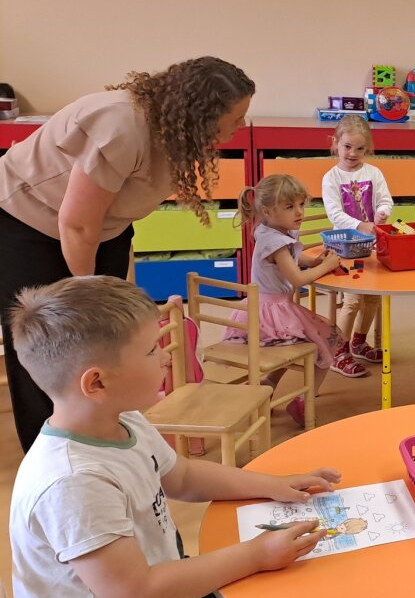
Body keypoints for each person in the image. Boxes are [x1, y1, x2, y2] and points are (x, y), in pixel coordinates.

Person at [7, 275, 340, 598]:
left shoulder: (123, 419)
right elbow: (136, 594)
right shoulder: (73, 482)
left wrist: (272, 484)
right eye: (152, 350)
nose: (167, 356)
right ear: (97, 383)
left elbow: (183, 476)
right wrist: (256, 555)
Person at [0, 56, 255, 451]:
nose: (241, 126)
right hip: (27, 222)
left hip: (99, 228)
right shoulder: (120, 125)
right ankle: (54, 451)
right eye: (235, 118)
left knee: (109, 338)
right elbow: (76, 225)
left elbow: (110, 216)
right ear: (202, 112)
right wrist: (90, 294)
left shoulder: (175, 132)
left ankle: (103, 433)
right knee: (51, 341)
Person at [226, 173, 367, 427]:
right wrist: (326, 266)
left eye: (301, 204)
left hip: (263, 310)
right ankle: (303, 401)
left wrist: (312, 261)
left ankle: (268, 386)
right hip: (274, 314)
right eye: (290, 207)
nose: (299, 212)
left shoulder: (267, 230)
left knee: (295, 348)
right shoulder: (276, 241)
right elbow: (298, 279)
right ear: (267, 211)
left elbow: (290, 259)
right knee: (330, 341)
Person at [322, 114, 393, 365]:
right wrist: (360, 224)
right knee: (352, 300)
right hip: (343, 249)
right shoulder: (331, 178)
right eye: (347, 146)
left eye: (360, 149)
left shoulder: (373, 173)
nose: (353, 153)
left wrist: (382, 212)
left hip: (370, 247)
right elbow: (335, 214)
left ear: (367, 149)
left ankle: (358, 343)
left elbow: (385, 200)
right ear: (335, 143)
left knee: (372, 297)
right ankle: (338, 351)